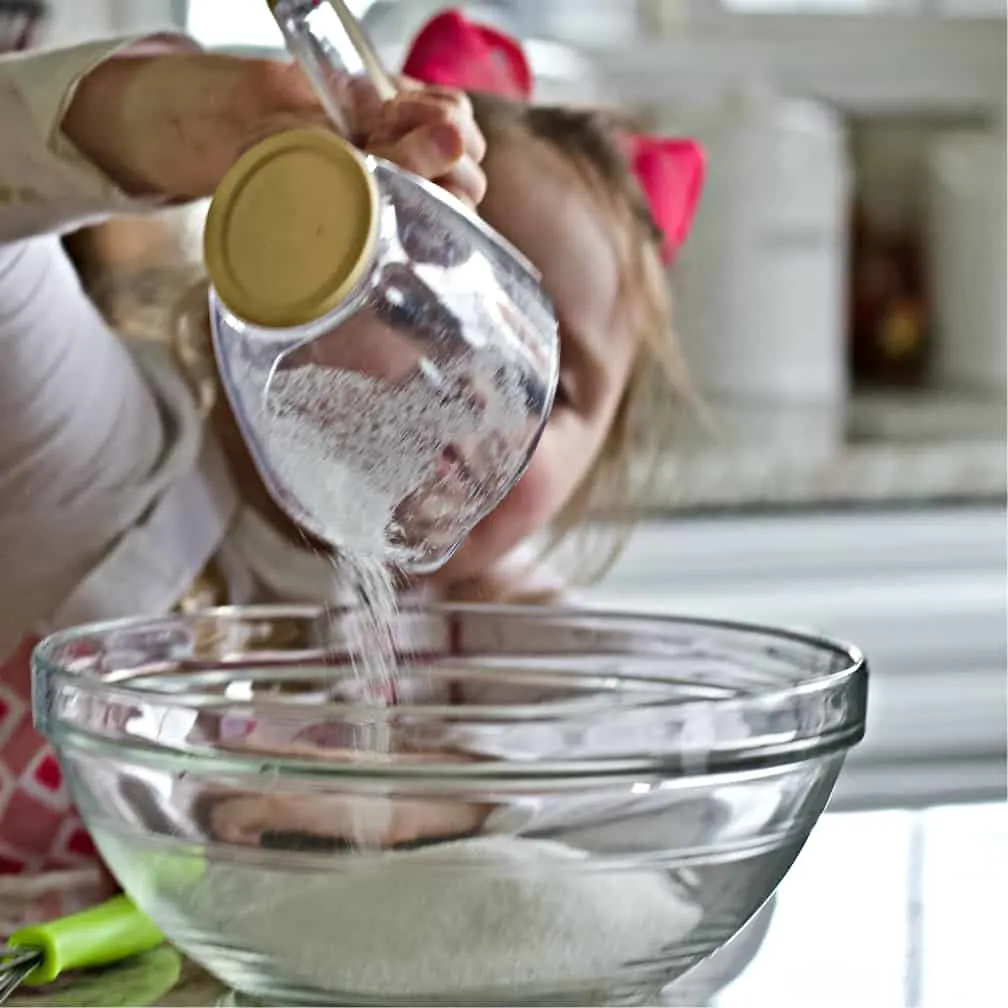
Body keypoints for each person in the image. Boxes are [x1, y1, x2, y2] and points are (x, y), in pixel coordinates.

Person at [0, 10, 704, 922]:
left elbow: (689, 779)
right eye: (422, 313)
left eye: (552, 385)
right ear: (290, 269)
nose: (476, 396)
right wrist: (148, 122)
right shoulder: (101, 472)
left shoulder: (491, 630)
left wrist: (464, 796)